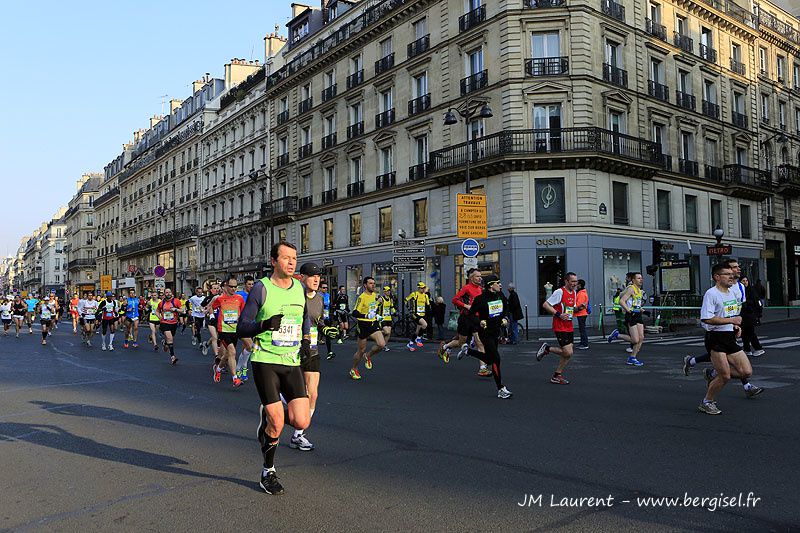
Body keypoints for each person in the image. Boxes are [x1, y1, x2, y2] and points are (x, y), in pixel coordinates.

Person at [236, 241, 311, 495]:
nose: (292, 262)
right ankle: (268, 471)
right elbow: (242, 327)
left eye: (294, 258)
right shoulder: (261, 288)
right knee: (278, 422)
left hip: (291, 362)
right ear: (273, 261)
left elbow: (305, 318)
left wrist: (305, 341)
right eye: (286, 258)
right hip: (266, 360)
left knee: (302, 419)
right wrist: (265, 324)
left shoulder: (299, 288)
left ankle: (268, 417)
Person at [682, 259, 763, 397]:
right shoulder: (711, 293)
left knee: (746, 371)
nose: (732, 275)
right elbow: (706, 318)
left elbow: (733, 311)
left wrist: (735, 325)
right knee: (724, 375)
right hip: (715, 337)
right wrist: (731, 321)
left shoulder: (734, 291)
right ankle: (708, 401)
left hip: (730, 335)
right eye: (728, 273)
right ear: (717, 277)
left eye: (733, 271)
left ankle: (709, 371)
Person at [457, 275, 513, 398]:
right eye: (497, 283)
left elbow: (506, 308)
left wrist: (504, 317)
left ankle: (467, 351)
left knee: (488, 359)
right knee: (496, 359)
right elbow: (470, 315)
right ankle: (501, 389)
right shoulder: (480, 299)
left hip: (495, 332)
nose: (500, 285)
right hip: (485, 333)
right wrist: (479, 322)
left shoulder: (500, 295)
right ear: (490, 285)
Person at [294, 262, 326, 451]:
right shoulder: (295, 296)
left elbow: (319, 320)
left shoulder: (320, 298)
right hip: (292, 350)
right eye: (312, 276)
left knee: (312, 393)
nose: (316, 279)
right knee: (296, 394)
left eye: (318, 276)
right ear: (302, 277)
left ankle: (298, 434)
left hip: (312, 349)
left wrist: (326, 328)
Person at [439, 269, 487, 370]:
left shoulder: (481, 289)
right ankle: (445, 347)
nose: (480, 278)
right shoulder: (466, 288)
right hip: (465, 318)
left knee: (479, 343)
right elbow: (454, 300)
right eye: (477, 276)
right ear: (471, 278)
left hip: (476, 318)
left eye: (480, 276)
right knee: (461, 342)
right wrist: (466, 306)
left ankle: (483, 368)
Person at [537, 272, 578, 384]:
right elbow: (546, 305)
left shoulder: (574, 293)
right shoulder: (559, 292)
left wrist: (578, 309)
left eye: (576, 281)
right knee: (568, 352)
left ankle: (557, 375)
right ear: (566, 281)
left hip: (569, 325)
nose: (575, 283)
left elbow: (571, 308)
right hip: (560, 326)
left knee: (568, 354)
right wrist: (559, 314)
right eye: (572, 281)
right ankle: (547, 349)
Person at [210, 275, 245, 387]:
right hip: (223, 330)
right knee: (232, 352)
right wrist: (212, 316)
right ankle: (235, 378)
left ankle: (218, 369)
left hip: (235, 330)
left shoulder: (239, 298)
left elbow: (243, 312)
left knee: (227, 354)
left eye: (235, 286)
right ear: (226, 286)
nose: (233, 289)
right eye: (231, 286)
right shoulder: (219, 299)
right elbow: (211, 307)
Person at [350, 276, 386, 379]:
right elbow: (355, 313)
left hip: (373, 324)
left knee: (382, 344)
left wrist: (377, 316)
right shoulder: (362, 297)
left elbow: (373, 309)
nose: (373, 285)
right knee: (361, 350)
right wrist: (365, 316)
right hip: (363, 325)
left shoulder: (375, 296)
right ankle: (354, 369)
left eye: (374, 283)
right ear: (365, 285)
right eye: (370, 283)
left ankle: (368, 355)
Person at [610, 272, 646, 366]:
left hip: (637, 314)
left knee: (641, 337)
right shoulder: (630, 289)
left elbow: (635, 303)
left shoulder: (640, 291)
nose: (641, 280)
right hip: (631, 315)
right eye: (638, 278)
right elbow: (622, 301)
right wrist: (628, 310)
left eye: (641, 278)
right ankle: (617, 335)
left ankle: (632, 357)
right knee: (635, 340)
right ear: (633, 280)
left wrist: (640, 309)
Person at [234, 275, 256, 382]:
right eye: (249, 284)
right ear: (245, 284)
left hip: (252, 325)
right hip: (241, 325)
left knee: (246, 348)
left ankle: (239, 368)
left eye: (252, 284)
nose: (251, 286)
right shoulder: (239, 295)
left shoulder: (255, 295)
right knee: (250, 346)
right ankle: (242, 369)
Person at [740, 275, 765, 357]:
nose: (745, 283)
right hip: (744, 315)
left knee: (750, 333)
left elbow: (757, 303)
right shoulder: (741, 291)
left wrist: (758, 314)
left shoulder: (751, 291)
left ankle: (758, 348)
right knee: (744, 333)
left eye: (746, 281)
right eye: (743, 281)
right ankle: (747, 349)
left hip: (750, 315)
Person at [157, 289, 182, 365]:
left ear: (172, 293)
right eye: (166, 292)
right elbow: (157, 311)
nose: (168, 294)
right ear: (164, 294)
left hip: (174, 323)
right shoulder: (162, 303)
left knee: (169, 340)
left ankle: (165, 343)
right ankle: (173, 357)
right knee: (170, 339)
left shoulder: (176, 301)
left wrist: (176, 309)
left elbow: (182, 310)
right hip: (164, 323)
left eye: (169, 292)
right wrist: (160, 317)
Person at [404, 282, 430, 351]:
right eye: (422, 288)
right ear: (418, 288)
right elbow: (405, 300)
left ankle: (410, 343)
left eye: (424, 288)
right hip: (415, 314)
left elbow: (428, 305)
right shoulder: (414, 294)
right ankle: (418, 338)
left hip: (422, 315)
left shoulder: (425, 296)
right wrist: (409, 309)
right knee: (425, 324)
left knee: (417, 331)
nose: (423, 289)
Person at [378, 285, 395, 351]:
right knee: (386, 332)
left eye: (389, 291)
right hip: (382, 318)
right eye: (387, 291)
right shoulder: (381, 299)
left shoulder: (390, 299)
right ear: (384, 292)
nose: (388, 292)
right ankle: (377, 334)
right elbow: (376, 306)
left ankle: (384, 345)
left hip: (389, 318)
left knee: (389, 333)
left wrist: (395, 312)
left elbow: (392, 307)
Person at [575, 280, 590, 350]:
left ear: (580, 285)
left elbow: (580, 305)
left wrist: (574, 308)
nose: (575, 285)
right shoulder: (582, 292)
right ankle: (582, 342)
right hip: (582, 313)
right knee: (582, 329)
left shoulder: (581, 293)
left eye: (577, 284)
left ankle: (584, 344)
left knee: (582, 329)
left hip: (581, 314)